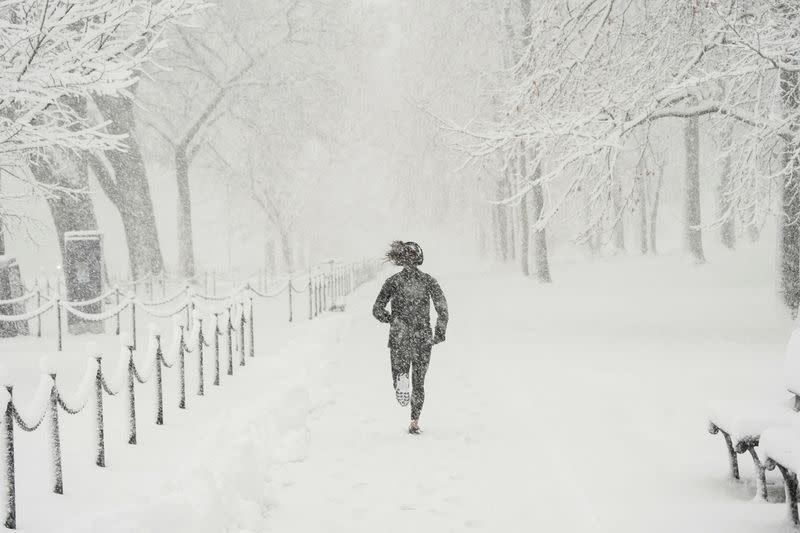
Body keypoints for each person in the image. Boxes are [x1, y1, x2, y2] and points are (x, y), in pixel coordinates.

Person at [372, 241, 448, 434]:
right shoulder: (429, 281)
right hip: (422, 336)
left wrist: (392, 319)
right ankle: (414, 421)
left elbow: (377, 309)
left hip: (400, 335)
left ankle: (400, 378)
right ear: (419, 259)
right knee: (420, 382)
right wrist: (439, 333)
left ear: (400, 259)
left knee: (399, 373)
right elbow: (442, 310)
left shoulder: (393, 282)